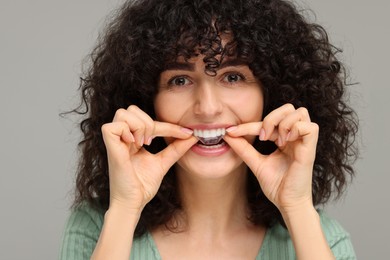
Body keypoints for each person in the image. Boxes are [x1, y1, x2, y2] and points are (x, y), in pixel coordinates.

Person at [60, 0, 358, 259]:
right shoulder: (96, 229)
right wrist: (125, 208)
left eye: (232, 77)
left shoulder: (324, 240)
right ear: (146, 100)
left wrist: (297, 208)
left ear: (273, 95)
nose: (207, 107)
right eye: (179, 80)